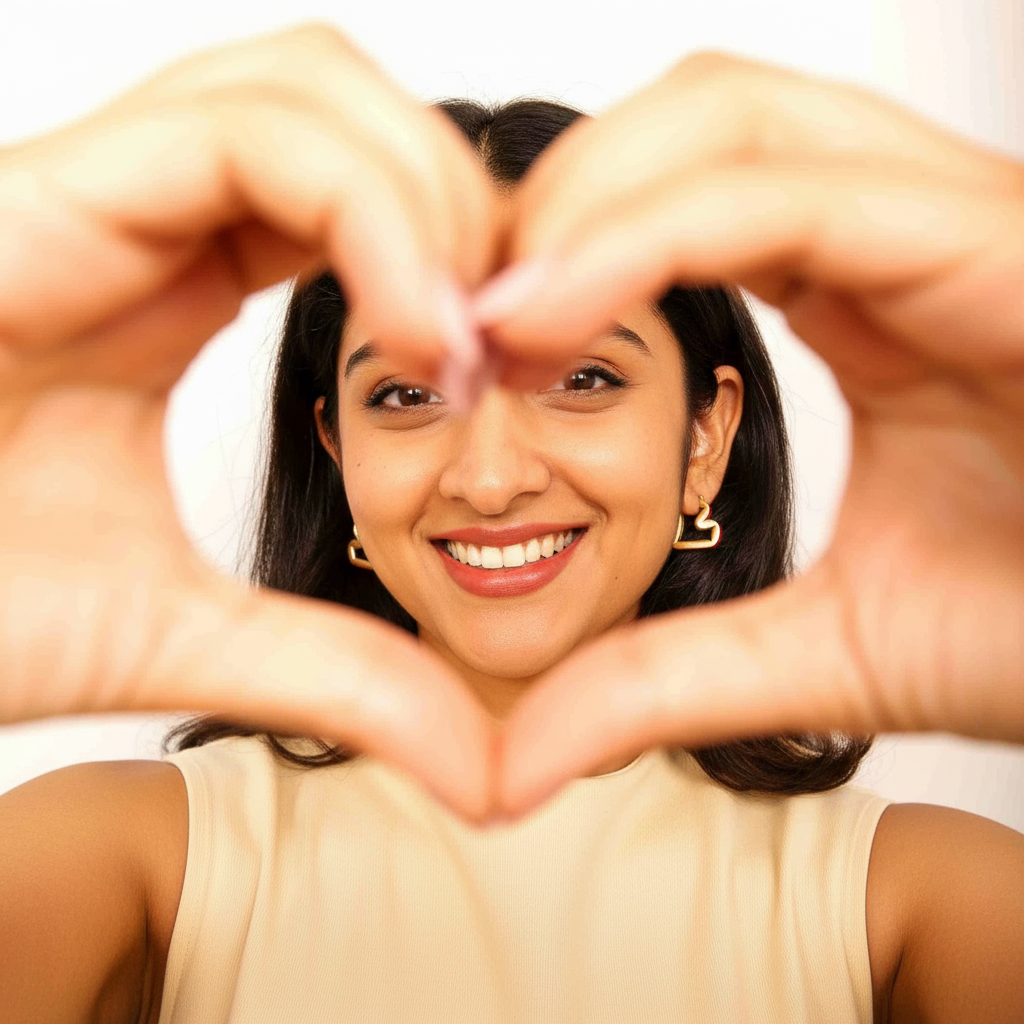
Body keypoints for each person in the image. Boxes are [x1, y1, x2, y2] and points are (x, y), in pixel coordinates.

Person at [0, 25, 1022, 1023]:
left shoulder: (932, 902)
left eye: (583, 377)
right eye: (405, 394)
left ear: (705, 439)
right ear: (335, 447)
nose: (489, 481)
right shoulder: (111, 857)